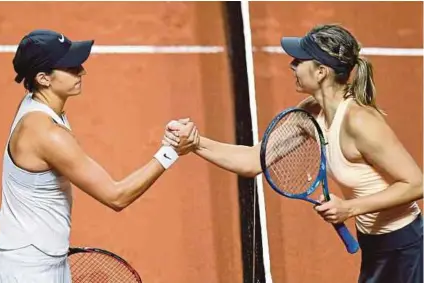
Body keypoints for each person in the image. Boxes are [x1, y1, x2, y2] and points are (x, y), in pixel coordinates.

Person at [164, 24, 423, 283]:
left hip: (406, 248)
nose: (292, 65)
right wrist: (195, 144)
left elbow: (416, 183)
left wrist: (349, 208)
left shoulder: (361, 122)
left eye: (299, 61)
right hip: (375, 245)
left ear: (321, 72)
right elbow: (254, 160)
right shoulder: (309, 113)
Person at [0, 29, 197, 282]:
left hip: (39, 262)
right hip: (28, 273)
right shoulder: (46, 134)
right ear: (43, 78)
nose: (82, 72)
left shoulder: (36, 105)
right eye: (71, 68)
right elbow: (116, 196)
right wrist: (170, 151)